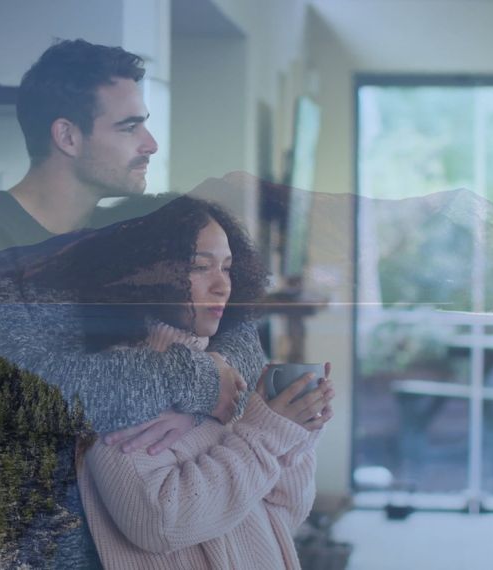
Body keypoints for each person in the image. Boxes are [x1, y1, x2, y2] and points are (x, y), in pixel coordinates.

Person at [0, 40, 256, 567]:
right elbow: (31, 392)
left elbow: (241, 327)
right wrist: (196, 381)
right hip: (28, 552)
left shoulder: (131, 227)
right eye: (129, 126)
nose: (149, 142)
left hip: (136, 542)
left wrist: (220, 376)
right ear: (67, 136)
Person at [20, 195, 334, 569]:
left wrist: (294, 433)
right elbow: (160, 523)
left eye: (228, 268)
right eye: (201, 267)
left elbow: (285, 512)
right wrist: (266, 435)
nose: (222, 286)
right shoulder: (121, 387)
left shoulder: (226, 379)